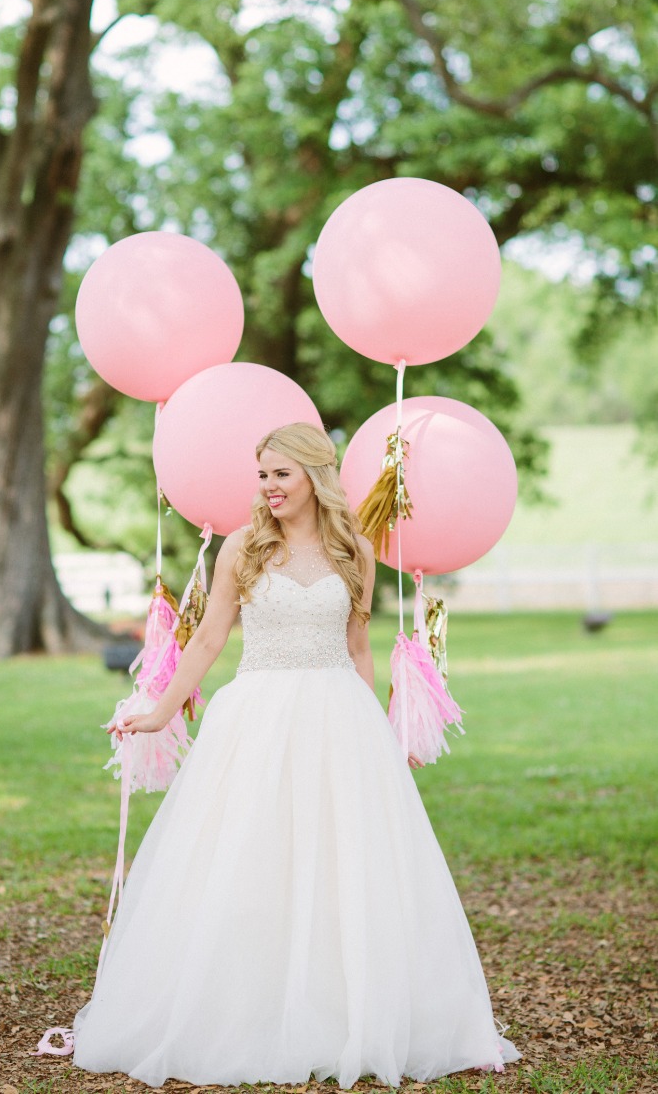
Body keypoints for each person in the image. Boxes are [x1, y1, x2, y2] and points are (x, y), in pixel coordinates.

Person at [71, 422, 520, 1087]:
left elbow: (360, 646)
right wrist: (157, 712)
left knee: (345, 865)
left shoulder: (355, 550)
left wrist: (375, 732)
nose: (269, 487)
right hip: (256, 715)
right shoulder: (242, 548)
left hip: (339, 715)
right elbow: (207, 640)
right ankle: (247, 1007)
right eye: (262, 475)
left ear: (315, 474)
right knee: (252, 856)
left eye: (281, 473)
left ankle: (347, 1010)